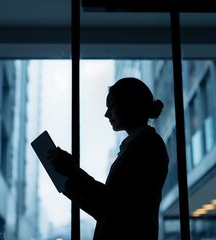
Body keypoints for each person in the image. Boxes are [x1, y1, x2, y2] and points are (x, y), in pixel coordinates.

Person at [47, 77, 169, 240]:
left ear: (130, 103)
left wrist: (73, 173)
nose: (106, 114)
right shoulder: (140, 145)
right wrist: (68, 180)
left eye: (111, 105)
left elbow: (118, 207)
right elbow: (107, 210)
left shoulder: (147, 145)